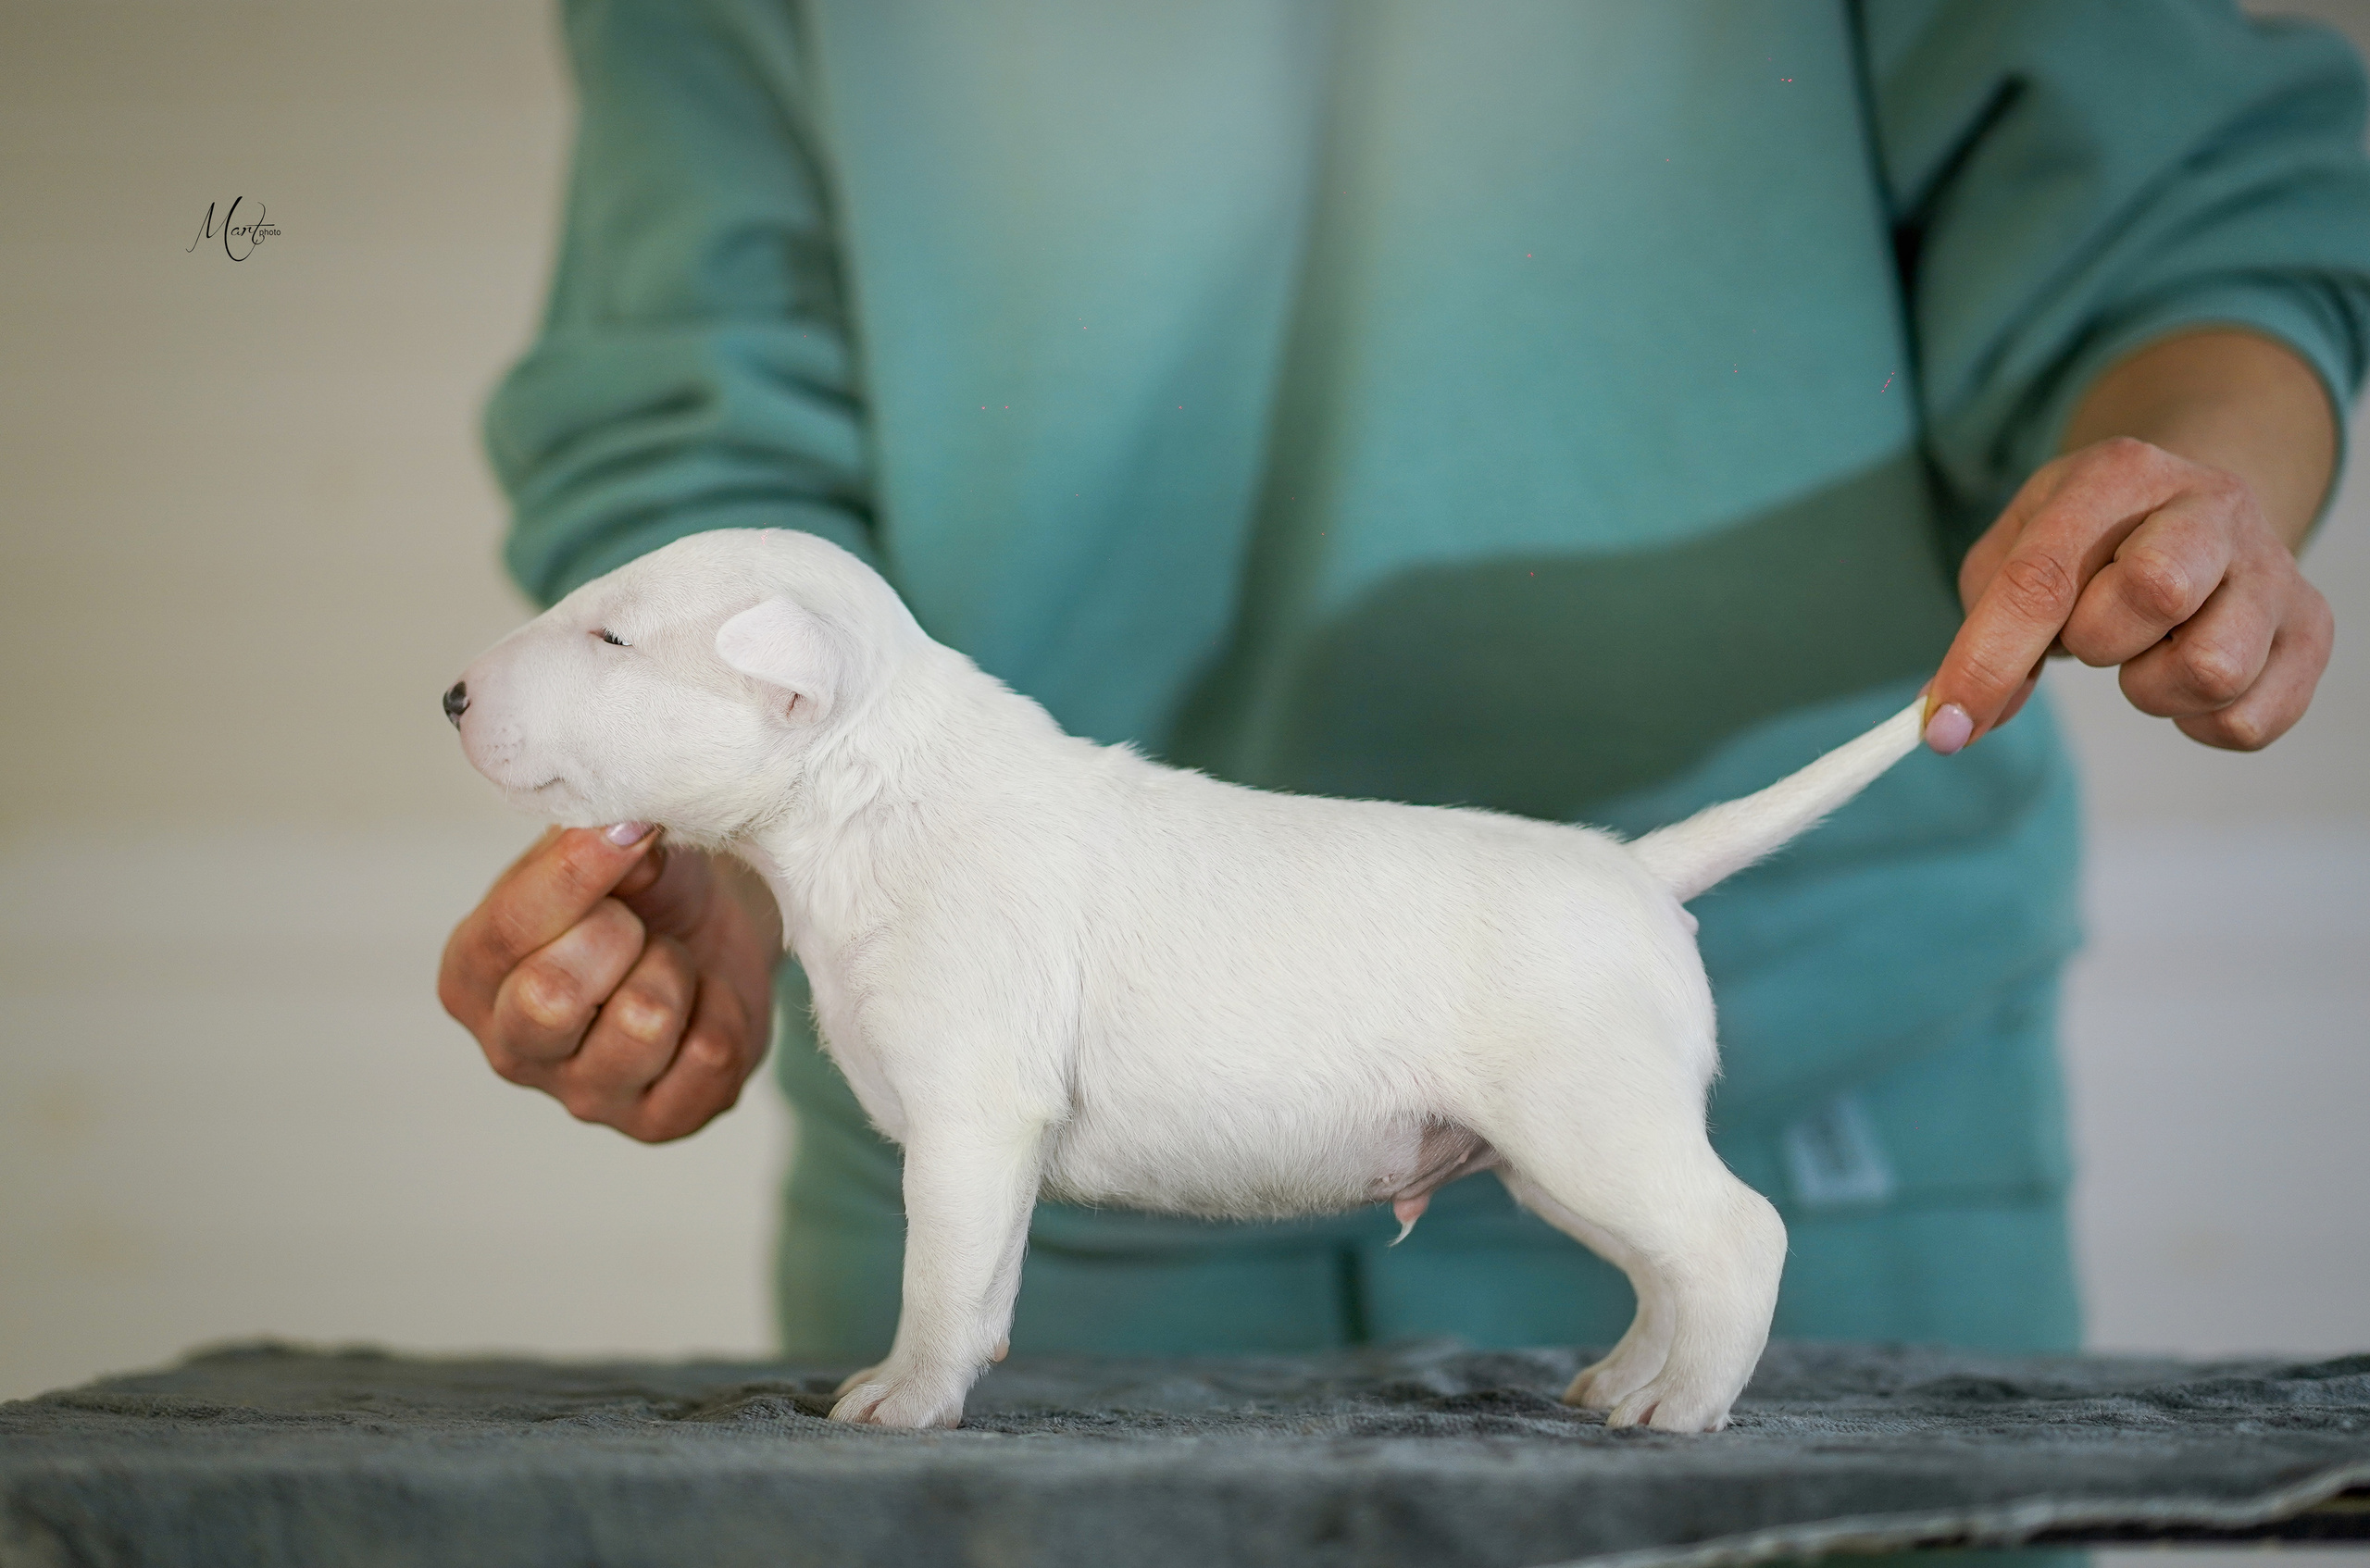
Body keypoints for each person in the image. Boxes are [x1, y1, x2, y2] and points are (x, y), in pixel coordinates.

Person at [440, 1, 2368, 1365]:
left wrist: (2192, 468)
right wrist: (697, 850)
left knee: (1656, 1201)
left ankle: (1710, 1298)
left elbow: (2177, 199)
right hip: (1082, 1280)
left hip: (1839, 1094)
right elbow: (693, 445)